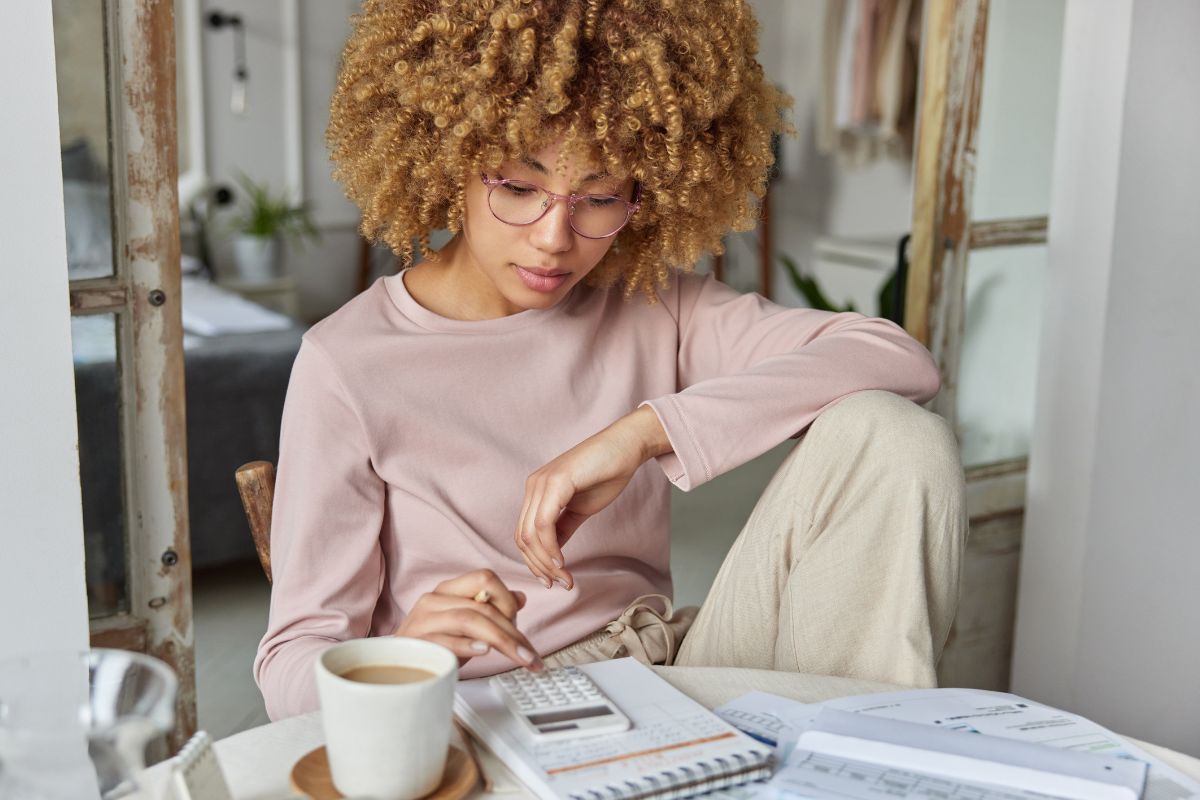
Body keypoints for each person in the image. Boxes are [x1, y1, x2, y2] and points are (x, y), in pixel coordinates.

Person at [254, 0, 967, 721]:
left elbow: (896, 358)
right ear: (448, 160)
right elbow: (290, 667)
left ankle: (858, 759)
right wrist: (404, 656)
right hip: (488, 707)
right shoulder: (346, 361)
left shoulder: (653, 305)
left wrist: (643, 433)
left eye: (598, 197)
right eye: (519, 187)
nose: (554, 238)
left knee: (893, 436)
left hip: (666, 666)